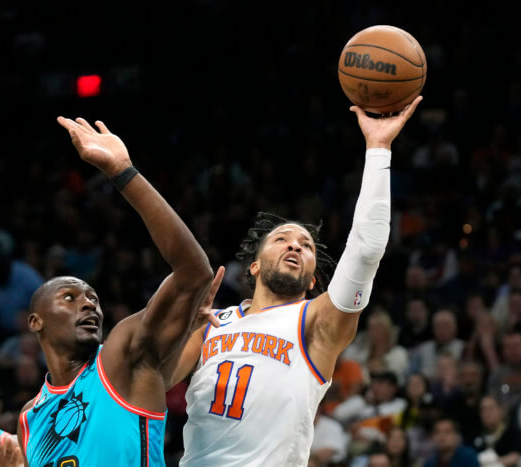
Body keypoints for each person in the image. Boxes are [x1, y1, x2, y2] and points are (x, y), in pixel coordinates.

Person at [173, 97, 423, 465]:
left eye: (305, 245)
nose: (294, 244)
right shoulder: (210, 322)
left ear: (311, 282)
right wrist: (178, 332)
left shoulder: (315, 323)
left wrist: (379, 148)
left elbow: (366, 249)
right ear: (253, 268)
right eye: (281, 239)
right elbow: (155, 379)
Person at [16, 117, 216, 466]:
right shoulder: (28, 416)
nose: (89, 304)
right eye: (70, 298)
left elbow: (194, 273)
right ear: (36, 321)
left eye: (93, 298)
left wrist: (123, 172)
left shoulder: (121, 357)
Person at [472, 395, 521, 467]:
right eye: (483, 409)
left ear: (501, 410)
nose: (487, 413)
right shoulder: (476, 437)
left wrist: (488, 464)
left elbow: (515, 457)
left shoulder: (512, 433)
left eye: (491, 408)